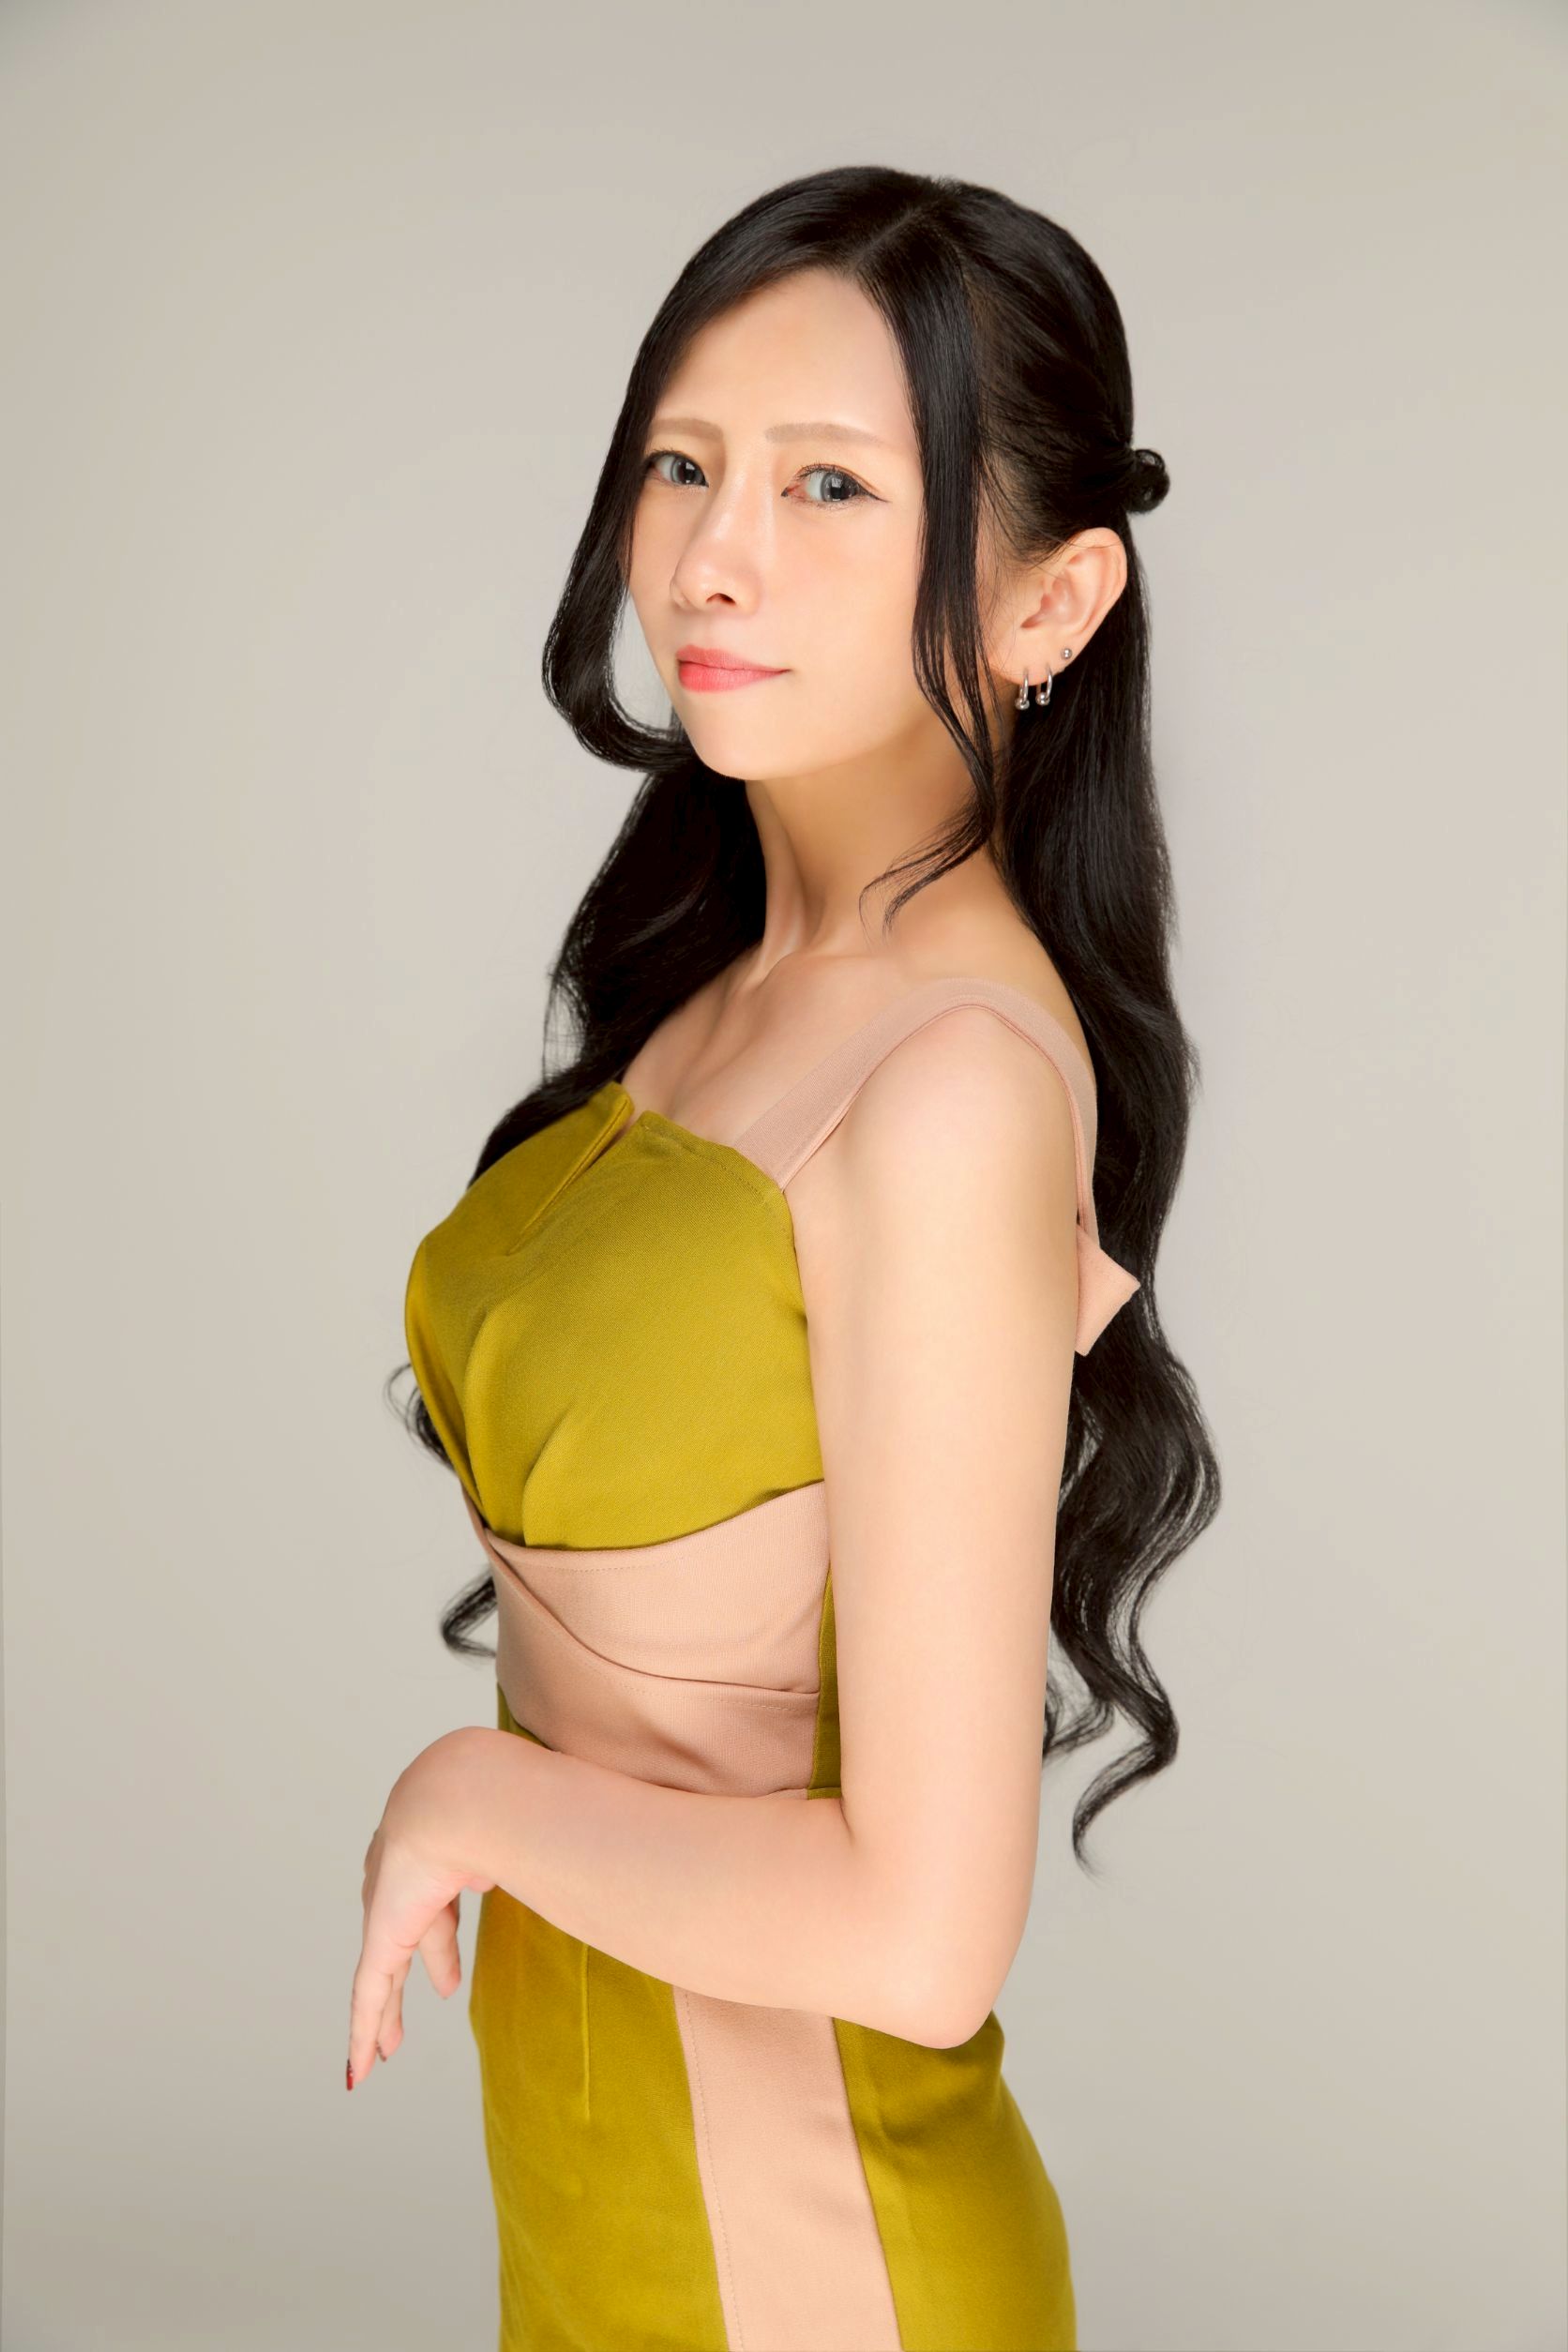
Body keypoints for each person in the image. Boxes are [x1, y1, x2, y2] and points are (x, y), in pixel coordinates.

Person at [350, 162, 1219, 2352]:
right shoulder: (726, 990)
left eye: (828, 484)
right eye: (681, 463)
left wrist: (468, 1795)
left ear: (1047, 603)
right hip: (598, 2219)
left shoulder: (947, 1089)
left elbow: (919, 1936)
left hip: (810, 2271)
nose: (708, 558)